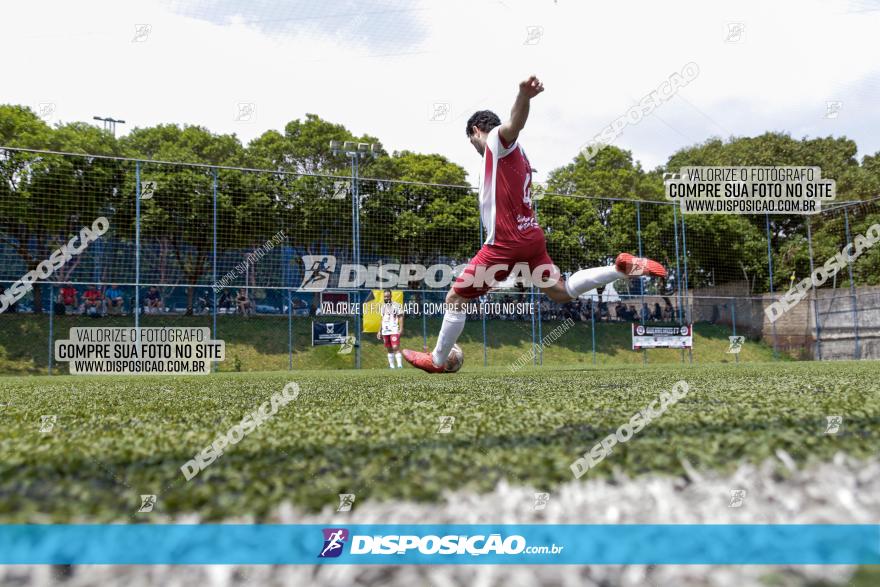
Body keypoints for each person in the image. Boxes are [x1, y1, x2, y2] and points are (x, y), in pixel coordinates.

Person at [403, 75, 666, 373]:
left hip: (505, 243)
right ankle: (616, 268)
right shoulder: (520, 155)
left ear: (477, 131)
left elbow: (513, 125)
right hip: (531, 238)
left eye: (472, 141)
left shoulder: (496, 142)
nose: (475, 147)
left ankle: (437, 361)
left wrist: (523, 96)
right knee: (560, 291)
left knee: (455, 297)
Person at [376, 290, 404, 369]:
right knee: (389, 348)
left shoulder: (397, 305)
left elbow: (400, 317)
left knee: (395, 347)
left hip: (394, 329)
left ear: (391, 296)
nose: (386, 298)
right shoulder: (382, 307)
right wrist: (379, 331)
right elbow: (382, 319)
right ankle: (391, 366)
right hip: (385, 331)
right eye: (385, 296)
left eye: (388, 296)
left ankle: (399, 365)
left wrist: (401, 328)